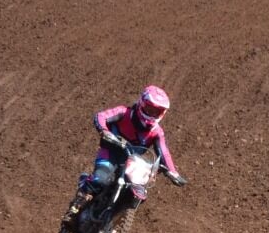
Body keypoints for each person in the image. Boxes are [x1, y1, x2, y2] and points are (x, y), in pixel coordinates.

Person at [63, 86, 187, 225]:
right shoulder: (124, 112)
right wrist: (105, 131)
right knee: (101, 179)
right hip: (110, 154)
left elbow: (163, 151)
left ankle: (113, 224)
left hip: (131, 163)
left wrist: (173, 172)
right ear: (142, 104)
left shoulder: (156, 132)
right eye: (150, 109)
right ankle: (76, 205)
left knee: (137, 190)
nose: (152, 114)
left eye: (156, 111)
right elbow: (101, 116)